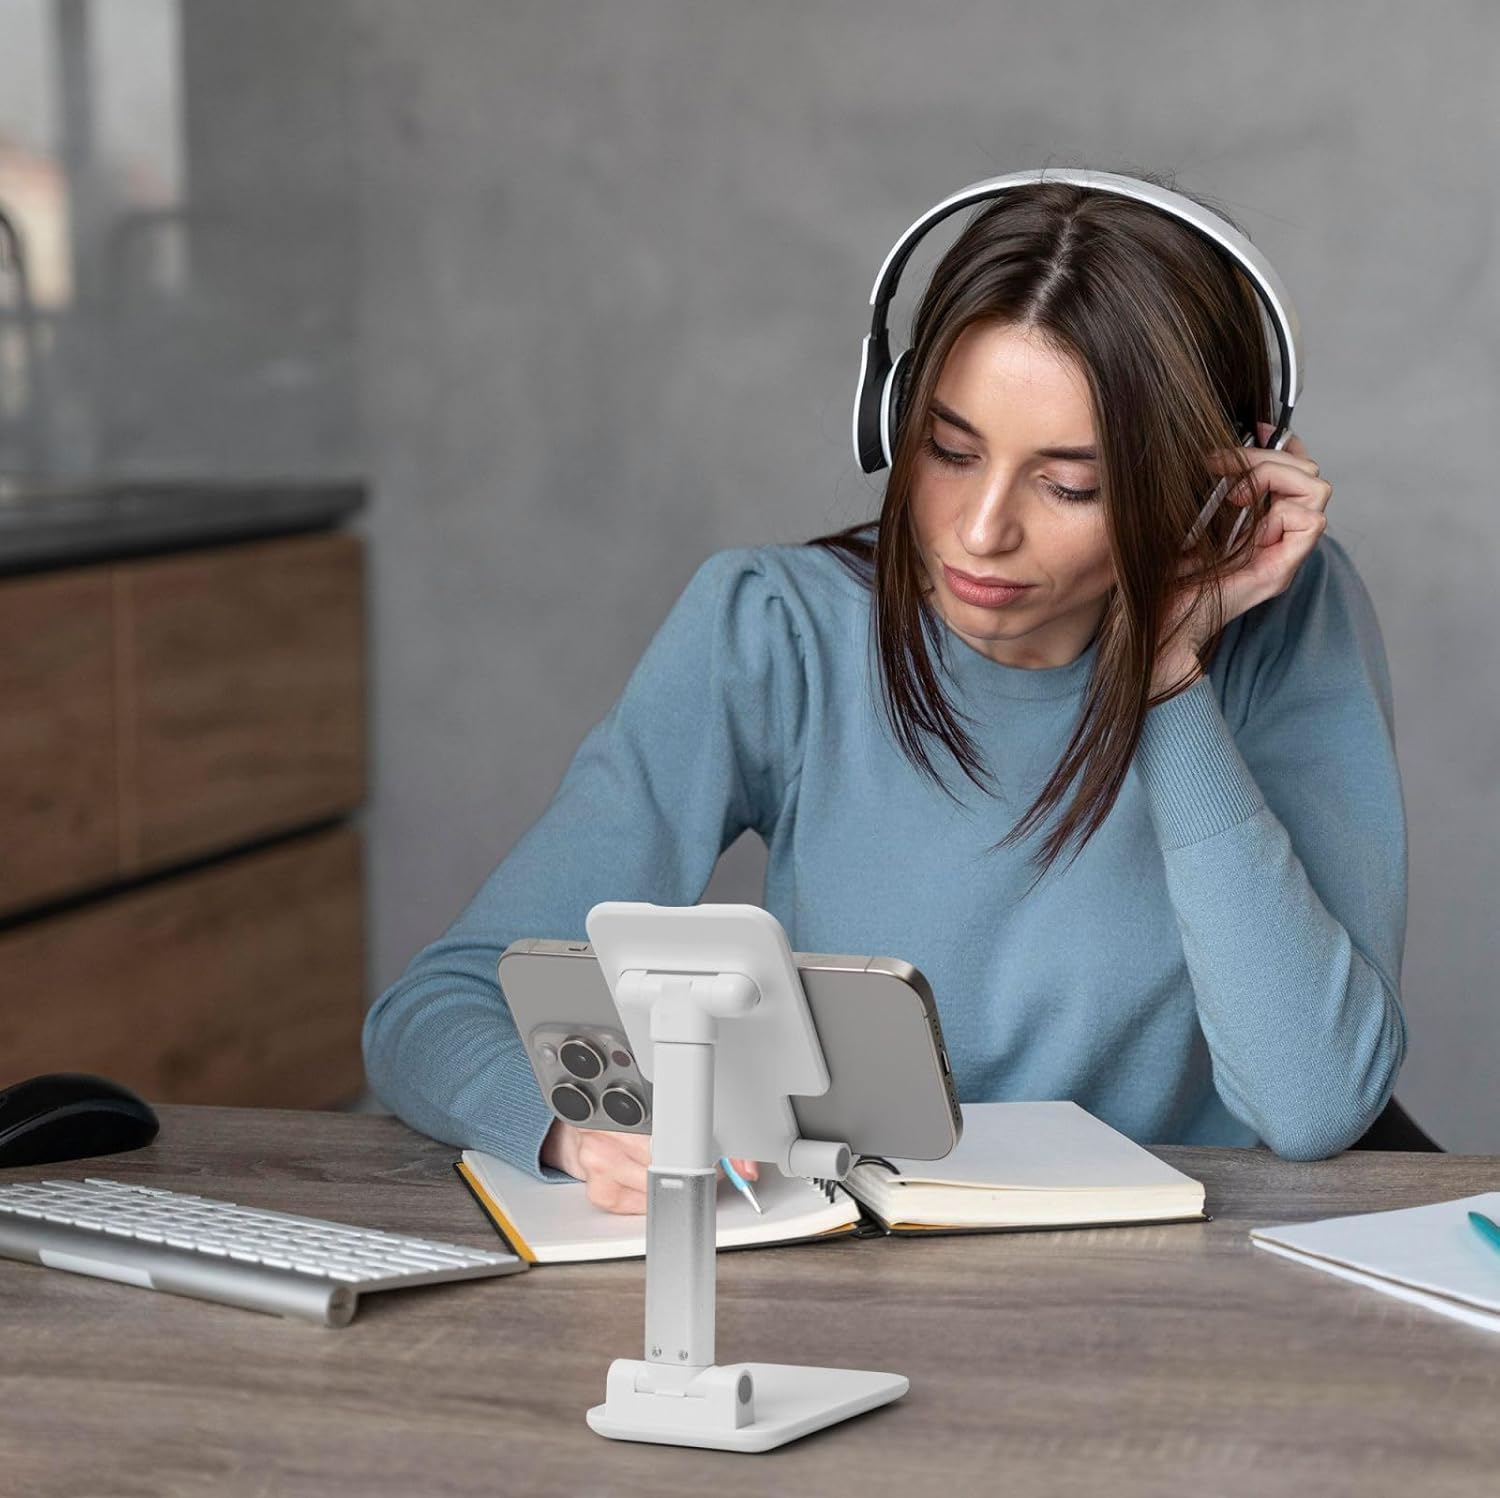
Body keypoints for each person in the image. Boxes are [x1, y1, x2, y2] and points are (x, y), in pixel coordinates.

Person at [363, 174, 1407, 1215]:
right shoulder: (775, 629)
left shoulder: (1279, 626)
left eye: (1070, 484)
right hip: (853, 1285)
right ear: (888, 418)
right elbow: (435, 1011)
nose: (980, 530)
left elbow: (1312, 1103)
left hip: (1172, 1303)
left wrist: (1171, 674)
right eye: (950, 452)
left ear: (1215, 488)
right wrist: (578, 1125)